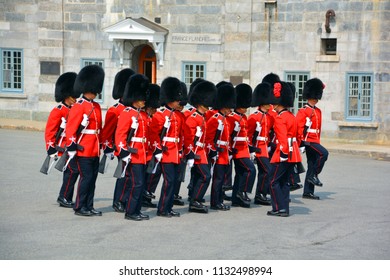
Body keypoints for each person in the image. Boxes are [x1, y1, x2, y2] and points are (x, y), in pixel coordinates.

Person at [66, 64, 104, 216]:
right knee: (86, 178)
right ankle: (79, 206)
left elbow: (98, 129)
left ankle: (89, 205)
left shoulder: (96, 106)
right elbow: (71, 128)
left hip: (94, 148)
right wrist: (71, 146)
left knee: (92, 179)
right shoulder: (79, 106)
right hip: (83, 148)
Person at [115, 74, 150, 221]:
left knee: (140, 184)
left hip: (142, 154)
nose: (143, 100)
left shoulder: (142, 115)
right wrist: (123, 151)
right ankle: (130, 211)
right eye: (141, 98)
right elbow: (120, 134)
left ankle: (136, 209)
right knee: (137, 183)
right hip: (132, 154)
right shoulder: (127, 113)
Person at [100, 68, 135, 213]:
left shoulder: (134, 109)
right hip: (121, 146)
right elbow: (107, 132)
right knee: (123, 174)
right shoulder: (115, 110)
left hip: (135, 146)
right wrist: (108, 148)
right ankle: (118, 201)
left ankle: (128, 198)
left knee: (133, 176)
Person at [148, 77, 184, 218]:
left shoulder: (178, 116)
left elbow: (180, 135)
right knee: (169, 181)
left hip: (175, 152)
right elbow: (153, 135)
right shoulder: (160, 115)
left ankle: (168, 207)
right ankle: (162, 208)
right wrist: (157, 150)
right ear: (170, 100)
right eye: (176, 99)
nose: (178, 102)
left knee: (173, 181)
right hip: (166, 152)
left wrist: (180, 149)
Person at [45, 72, 79, 208]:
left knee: (72, 171)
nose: (75, 98)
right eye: (73, 96)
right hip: (63, 146)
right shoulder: (58, 110)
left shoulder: (75, 109)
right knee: (71, 171)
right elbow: (50, 131)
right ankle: (64, 196)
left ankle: (66, 196)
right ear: (66, 96)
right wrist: (50, 147)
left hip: (72, 144)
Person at [268, 81, 302, 217]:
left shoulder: (280, 118)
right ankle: (284, 208)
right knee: (284, 181)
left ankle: (278, 208)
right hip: (293, 152)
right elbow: (298, 136)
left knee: (273, 181)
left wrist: (283, 152)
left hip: (283, 152)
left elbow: (282, 137)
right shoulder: (292, 116)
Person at [184, 80, 217, 213]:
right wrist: (190, 154)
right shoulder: (193, 118)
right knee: (205, 176)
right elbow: (188, 138)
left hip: (202, 150)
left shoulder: (202, 117)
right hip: (196, 151)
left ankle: (195, 200)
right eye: (205, 105)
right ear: (199, 103)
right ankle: (195, 200)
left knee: (201, 176)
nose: (207, 107)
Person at [296, 78, 329, 200]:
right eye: (314, 96)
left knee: (312, 163)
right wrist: (301, 144)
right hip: (307, 141)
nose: (315, 99)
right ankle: (314, 175)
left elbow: (318, 129)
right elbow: (299, 128)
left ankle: (308, 192)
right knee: (324, 153)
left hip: (315, 139)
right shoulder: (303, 111)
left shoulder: (318, 111)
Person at [205, 83, 236, 210]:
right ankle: (215, 202)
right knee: (218, 179)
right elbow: (209, 138)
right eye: (229, 107)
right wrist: (213, 151)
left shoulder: (226, 119)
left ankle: (219, 200)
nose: (231, 110)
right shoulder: (215, 119)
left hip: (225, 152)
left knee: (222, 178)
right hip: (218, 152)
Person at [227, 83, 256, 208]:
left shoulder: (244, 117)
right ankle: (242, 192)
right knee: (250, 169)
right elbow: (228, 136)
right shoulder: (231, 117)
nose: (245, 108)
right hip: (237, 150)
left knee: (240, 174)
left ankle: (236, 199)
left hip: (244, 149)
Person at [247, 82, 274, 206]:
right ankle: (260, 194)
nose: (271, 105)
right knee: (268, 170)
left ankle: (261, 194)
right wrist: (251, 149)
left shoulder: (269, 117)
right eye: (269, 103)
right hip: (257, 148)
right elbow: (249, 134)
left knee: (264, 172)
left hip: (265, 147)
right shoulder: (254, 117)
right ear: (263, 103)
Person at [143, 83, 161, 208]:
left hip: (151, 151)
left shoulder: (152, 118)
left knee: (153, 174)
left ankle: (147, 196)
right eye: (152, 108)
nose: (155, 111)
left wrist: (157, 148)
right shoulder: (143, 117)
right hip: (142, 151)